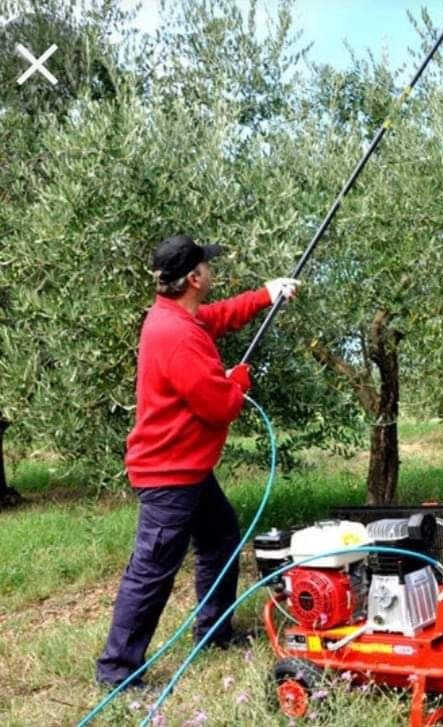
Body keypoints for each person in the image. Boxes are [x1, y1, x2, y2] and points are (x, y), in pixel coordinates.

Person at [96, 233, 300, 688]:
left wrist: (266, 295)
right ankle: (117, 672)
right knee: (150, 574)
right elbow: (220, 405)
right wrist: (239, 379)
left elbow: (217, 317)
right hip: (170, 476)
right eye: (206, 266)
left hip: (186, 468)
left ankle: (214, 632)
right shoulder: (176, 334)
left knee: (222, 538)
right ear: (193, 277)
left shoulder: (176, 315)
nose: (212, 270)